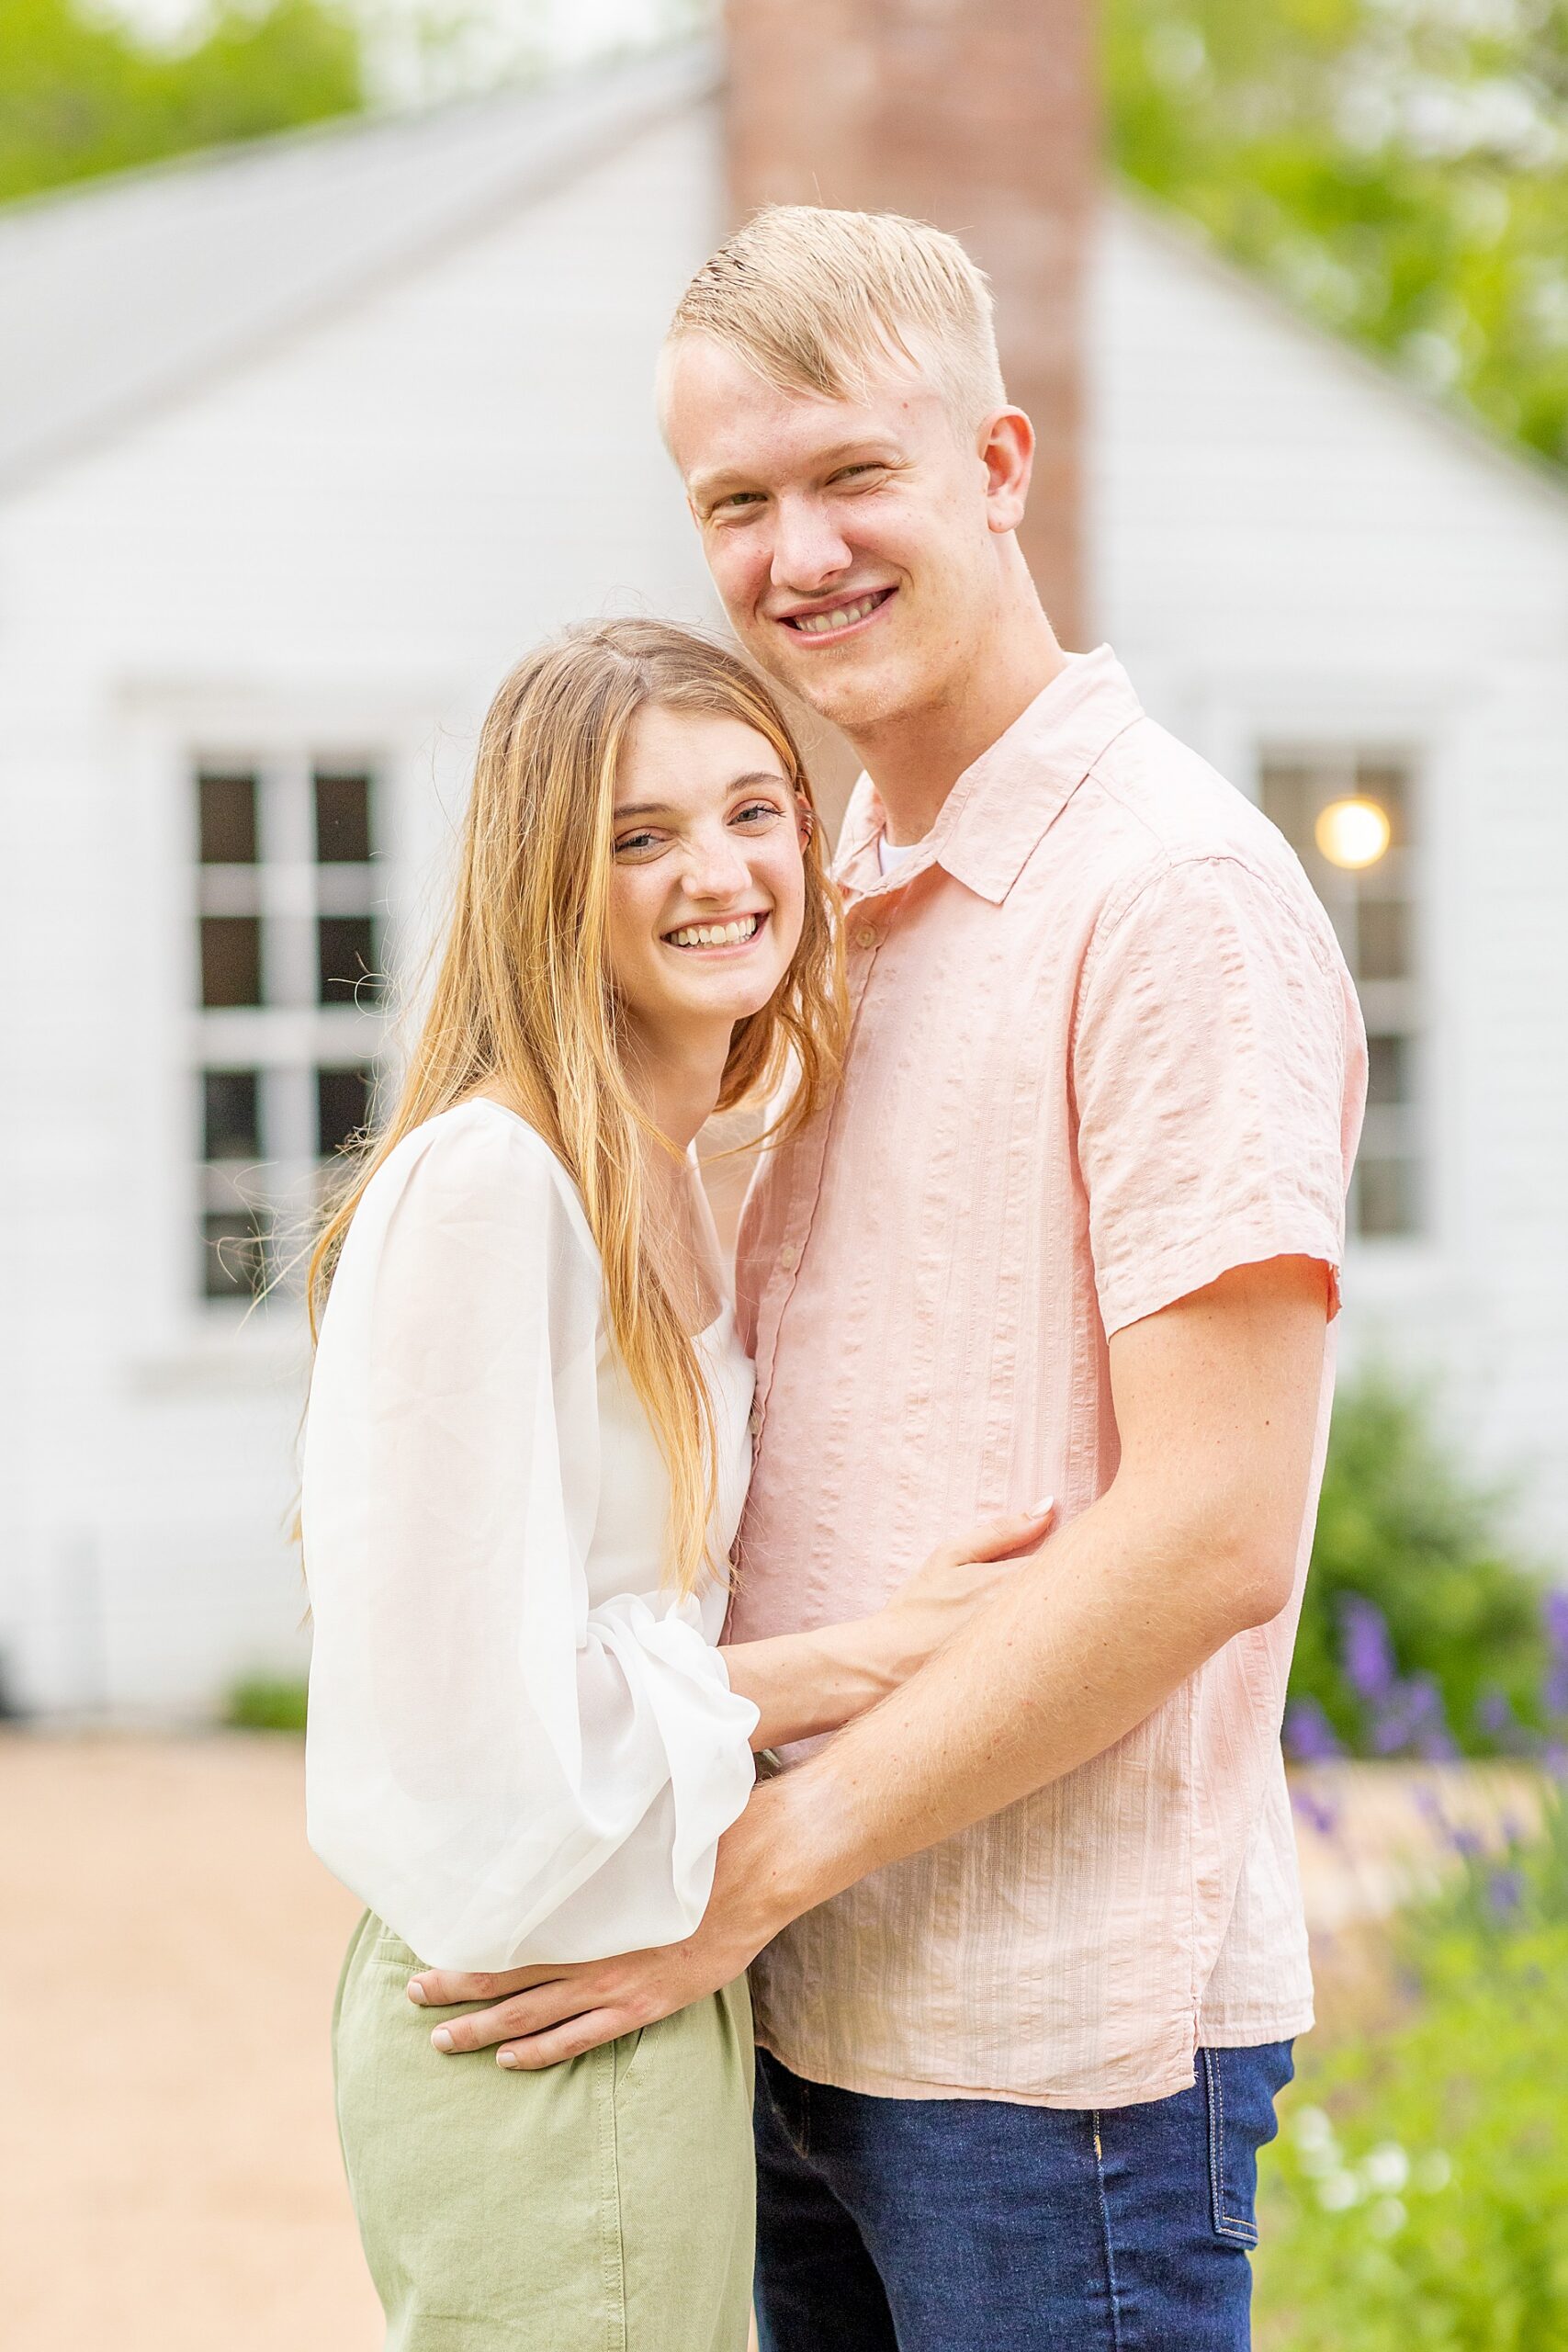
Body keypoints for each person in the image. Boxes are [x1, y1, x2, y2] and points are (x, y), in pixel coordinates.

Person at [410, 214, 1369, 2350]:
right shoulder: (818, 895)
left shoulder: (1167, 896)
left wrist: (752, 1865)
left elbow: (1212, 1529)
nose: (798, 552)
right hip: (797, 2010)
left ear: (999, 464)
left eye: (854, 474)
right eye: (735, 501)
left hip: (1051, 2066)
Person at [300, 616, 1055, 2352]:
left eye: (751, 811)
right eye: (640, 835)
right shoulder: (495, 1183)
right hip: (535, 1986)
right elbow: (479, 1716)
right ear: (546, 882)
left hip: (647, 1954)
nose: (717, 873)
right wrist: (870, 1659)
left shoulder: (690, 1172)